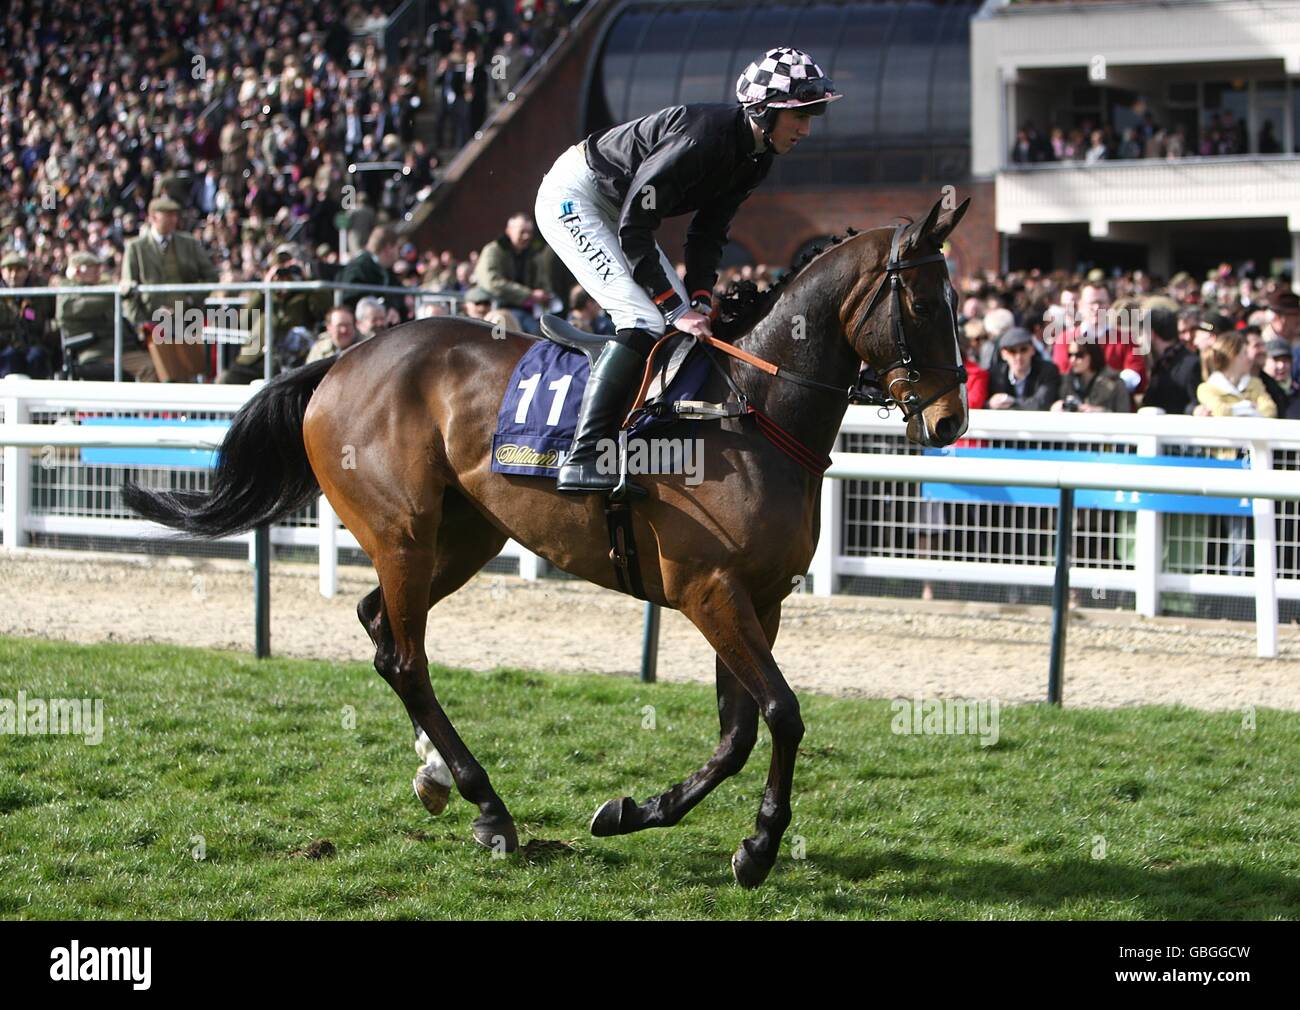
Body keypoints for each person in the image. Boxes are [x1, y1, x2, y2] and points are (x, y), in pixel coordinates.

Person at [533, 46, 841, 492]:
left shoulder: (756, 157)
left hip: (618, 209)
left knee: (680, 321)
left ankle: (638, 438)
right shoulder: (702, 138)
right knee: (644, 318)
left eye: (812, 117)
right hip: (575, 197)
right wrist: (675, 307)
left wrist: (698, 296)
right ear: (763, 111)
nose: (807, 130)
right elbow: (636, 225)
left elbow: (708, 234)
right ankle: (584, 456)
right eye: (800, 116)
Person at [120, 195, 219, 381]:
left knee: (188, 372)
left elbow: (211, 276)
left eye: (175, 215)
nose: (174, 219)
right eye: (168, 215)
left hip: (186, 317)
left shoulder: (188, 242)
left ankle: (186, 411)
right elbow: (128, 288)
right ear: (153, 217)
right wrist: (140, 322)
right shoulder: (136, 247)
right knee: (159, 374)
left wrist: (190, 299)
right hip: (153, 322)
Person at [471, 212, 554, 336]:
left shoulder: (533, 255)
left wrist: (544, 295)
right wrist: (528, 294)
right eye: (522, 232)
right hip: (498, 307)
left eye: (529, 233)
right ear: (509, 231)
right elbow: (492, 282)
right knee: (533, 333)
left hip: (531, 311)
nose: (526, 236)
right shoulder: (493, 251)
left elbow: (543, 282)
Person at [55, 253, 118, 380]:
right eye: (93, 269)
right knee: (147, 367)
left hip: (109, 345)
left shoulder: (96, 287)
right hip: (91, 349)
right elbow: (77, 307)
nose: (98, 273)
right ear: (78, 271)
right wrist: (113, 294)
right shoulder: (67, 291)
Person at [0, 251, 56, 378]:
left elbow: (52, 315)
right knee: (9, 357)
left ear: (26, 271)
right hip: (5, 345)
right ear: (2, 272)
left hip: (32, 343)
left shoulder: (38, 293)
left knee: (37, 356)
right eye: (9, 270)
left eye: (18, 270)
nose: (14, 275)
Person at [1139, 305, 1200, 413]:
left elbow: (1195, 404)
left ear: (1151, 334)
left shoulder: (1191, 364)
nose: (1139, 340)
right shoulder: (1157, 364)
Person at [987, 328, 1061, 410]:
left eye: (1023, 350)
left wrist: (1012, 402)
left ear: (1032, 350)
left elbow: (1041, 403)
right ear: (1003, 354)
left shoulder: (1047, 370)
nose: (1018, 357)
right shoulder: (996, 374)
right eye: (1012, 351)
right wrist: (990, 403)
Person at [338, 225, 402, 318]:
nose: (399, 252)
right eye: (397, 247)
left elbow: (397, 291)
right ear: (388, 248)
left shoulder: (386, 270)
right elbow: (352, 296)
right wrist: (385, 307)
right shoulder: (359, 267)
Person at [1052, 340, 1131, 412]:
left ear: (1092, 355)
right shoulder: (1066, 382)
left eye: (1079, 355)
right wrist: (1057, 406)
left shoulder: (1115, 383)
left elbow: (1124, 414)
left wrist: (1098, 411)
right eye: (1070, 355)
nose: (1072, 360)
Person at [1262, 338, 1300, 419]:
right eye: (1276, 360)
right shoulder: (1258, 390)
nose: (1281, 365)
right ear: (1264, 361)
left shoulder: (1296, 391)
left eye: (1286, 360)